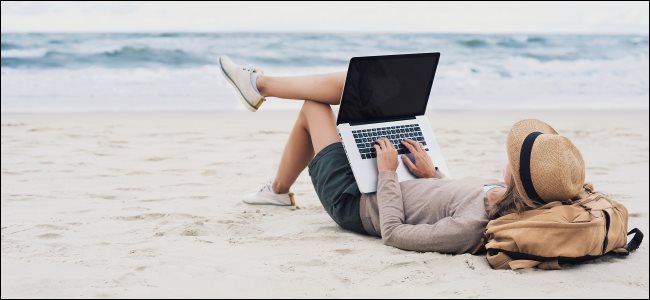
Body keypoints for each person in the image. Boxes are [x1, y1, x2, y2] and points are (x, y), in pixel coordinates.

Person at [219, 56, 586, 254]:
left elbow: (394, 234)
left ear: (519, 178)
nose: (508, 156)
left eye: (516, 155)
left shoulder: (470, 227)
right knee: (354, 85)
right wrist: (431, 174)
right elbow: (443, 199)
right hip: (395, 181)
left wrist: (388, 174)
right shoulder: (497, 193)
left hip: (356, 203)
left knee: (314, 107)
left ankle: (261, 91)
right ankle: (277, 187)